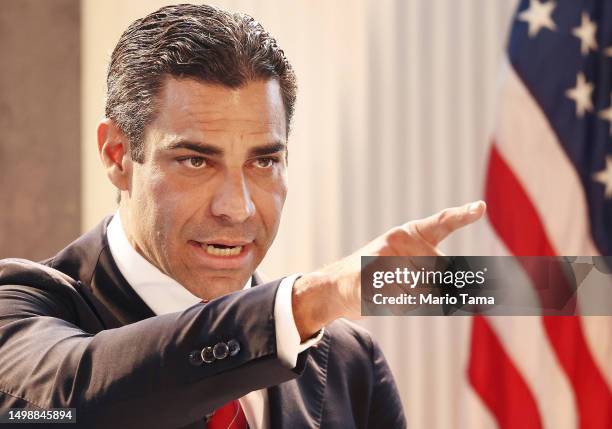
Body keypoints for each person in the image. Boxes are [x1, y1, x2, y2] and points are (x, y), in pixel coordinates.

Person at [0, 4, 486, 428]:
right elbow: (71, 408)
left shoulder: (348, 363)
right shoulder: (22, 311)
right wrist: (311, 301)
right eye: (195, 161)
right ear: (117, 154)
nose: (238, 207)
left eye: (263, 162)